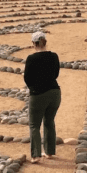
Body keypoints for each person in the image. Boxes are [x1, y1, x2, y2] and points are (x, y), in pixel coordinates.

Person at [23, 32, 61, 164]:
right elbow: (56, 74)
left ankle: (36, 155)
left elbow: (27, 78)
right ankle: (49, 152)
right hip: (55, 93)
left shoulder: (31, 58)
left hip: (38, 94)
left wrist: (34, 89)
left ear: (34, 44)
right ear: (45, 42)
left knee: (34, 125)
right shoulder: (54, 56)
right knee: (49, 121)